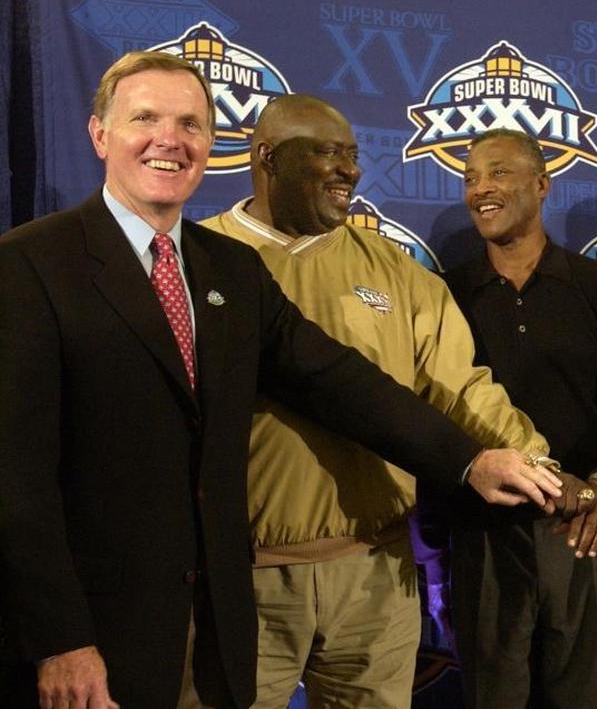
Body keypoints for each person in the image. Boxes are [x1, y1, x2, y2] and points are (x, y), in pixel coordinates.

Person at [0, 52, 562, 709]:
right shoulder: (29, 266)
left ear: (213, 144)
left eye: (189, 124)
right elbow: (17, 478)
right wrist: (59, 639)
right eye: (144, 118)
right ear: (100, 134)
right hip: (97, 629)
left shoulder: (228, 271)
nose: (169, 139)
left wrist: (468, 460)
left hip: (220, 613)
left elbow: (341, 383)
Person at [200, 95, 553, 707]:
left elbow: (459, 384)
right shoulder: (198, 258)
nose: (351, 171)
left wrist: (535, 459)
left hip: (375, 572)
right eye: (327, 153)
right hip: (240, 578)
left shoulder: (393, 267)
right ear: (266, 157)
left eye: (354, 156)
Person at [437, 128, 597, 708]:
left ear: (542, 185)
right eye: (470, 178)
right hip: (487, 530)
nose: (481, 189)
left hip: (589, 522)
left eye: (498, 173)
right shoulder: (444, 294)